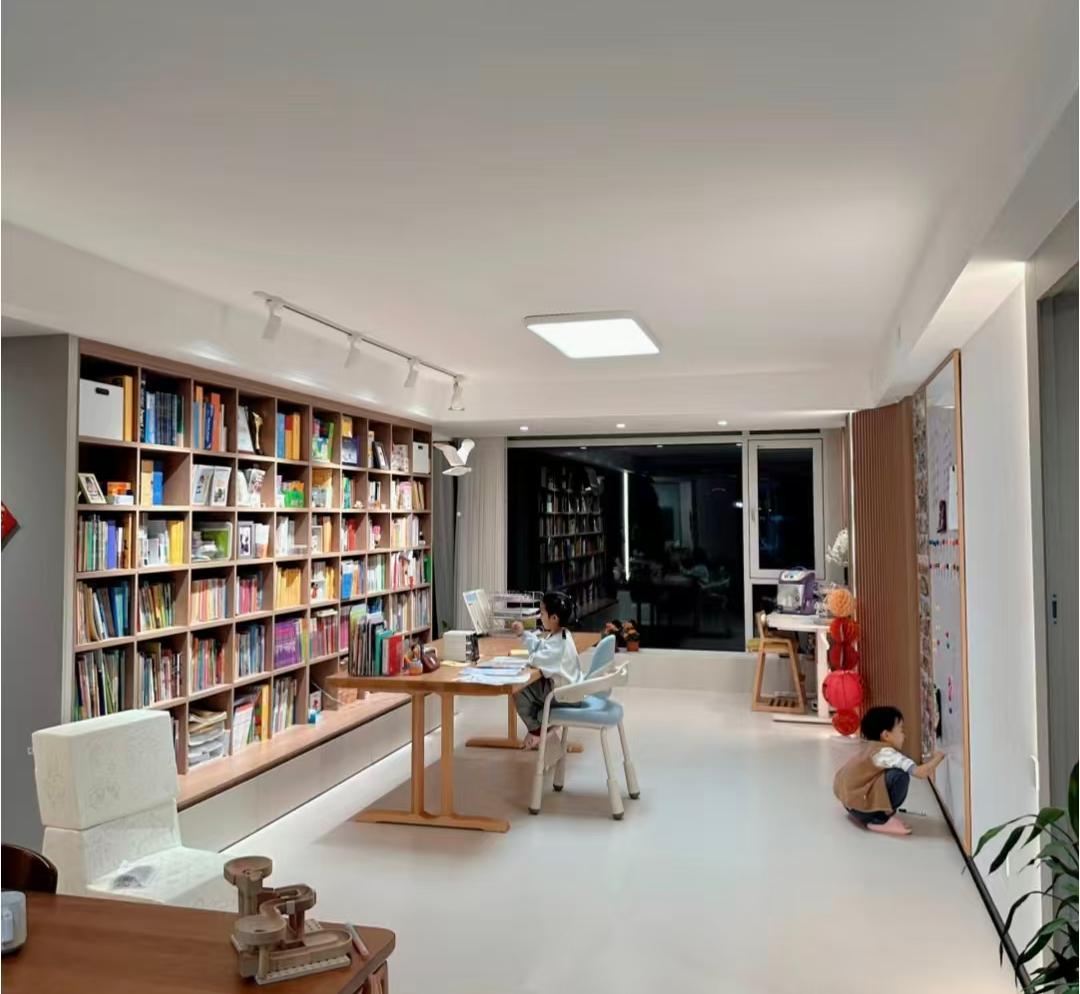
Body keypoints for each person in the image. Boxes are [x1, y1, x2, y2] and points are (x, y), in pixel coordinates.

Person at [833, 706, 945, 836]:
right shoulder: (887, 753)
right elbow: (920, 773)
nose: (904, 735)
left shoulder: (870, 747)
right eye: (901, 730)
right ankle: (879, 819)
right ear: (886, 735)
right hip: (862, 811)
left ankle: (873, 811)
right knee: (900, 775)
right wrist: (939, 757)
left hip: (849, 804)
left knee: (888, 774)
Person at [510, 591, 582, 750]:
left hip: (564, 696)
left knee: (518, 687)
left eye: (542, 613)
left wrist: (526, 659)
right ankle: (543, 724)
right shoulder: (562, 635)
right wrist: (523, 634)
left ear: (554, 618)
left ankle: (537, 728)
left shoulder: (559, 644)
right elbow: (541, 647)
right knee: (532, 686)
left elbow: (537, 659)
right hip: (570, 691)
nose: (539, 616)